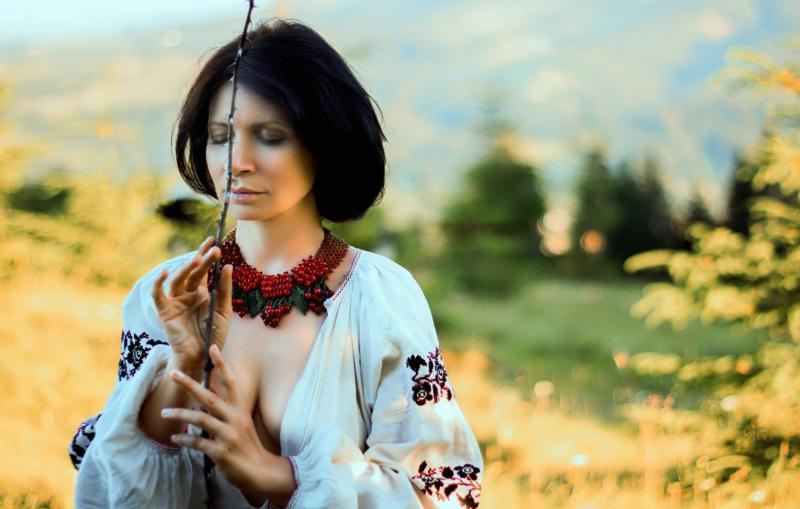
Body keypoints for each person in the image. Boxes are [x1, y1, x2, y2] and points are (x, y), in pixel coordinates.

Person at [70, 18, 483, 509]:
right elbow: (112, 489)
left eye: (269, 136)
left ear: (323, 143)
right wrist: (183, 364)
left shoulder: (380, 297)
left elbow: (445, 492)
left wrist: (281, 476)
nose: (237, 161)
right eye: (220, 136)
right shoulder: (164, 294)